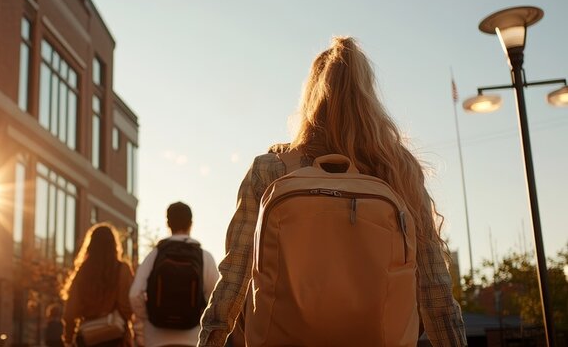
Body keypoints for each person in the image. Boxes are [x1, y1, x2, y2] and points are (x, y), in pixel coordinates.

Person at [197, 37, 467, 346]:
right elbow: (435, 290)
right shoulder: (398, 170)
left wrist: (209, 341)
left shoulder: (271, 170)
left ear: (310, 98)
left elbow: (234, 277)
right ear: (369, 99)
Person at [129, 202, 219, 347]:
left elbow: (135, 294)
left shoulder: (155, 255)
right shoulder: (204, 257)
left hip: (156, 339)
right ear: (191, 223)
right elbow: (217, 300)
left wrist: (147, 319)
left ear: (168, 223)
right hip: (193, 339)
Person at [61, 223, 134, 347]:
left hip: (88, 338)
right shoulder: (122, 269)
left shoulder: (83, 272)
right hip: (116, 337)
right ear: (114, 245)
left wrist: (68, 338)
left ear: (90, 246)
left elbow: (70, 311)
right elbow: (127, 305)